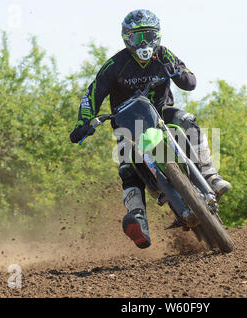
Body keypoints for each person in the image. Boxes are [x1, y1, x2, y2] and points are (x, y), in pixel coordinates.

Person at [70, 9, 231, 249]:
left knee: (188, 120)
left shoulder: (164, 54)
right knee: (127, 169)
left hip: (161, 113)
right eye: (137, 37)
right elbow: (92, 95)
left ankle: (210, 174)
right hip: (128, 126)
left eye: (147, 36)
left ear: (157, 36)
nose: (143, 43)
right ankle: (138, 220)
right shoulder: (115, 64)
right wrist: (83, 122)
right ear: (126, 38)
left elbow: (191, 82)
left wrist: (177, 72)